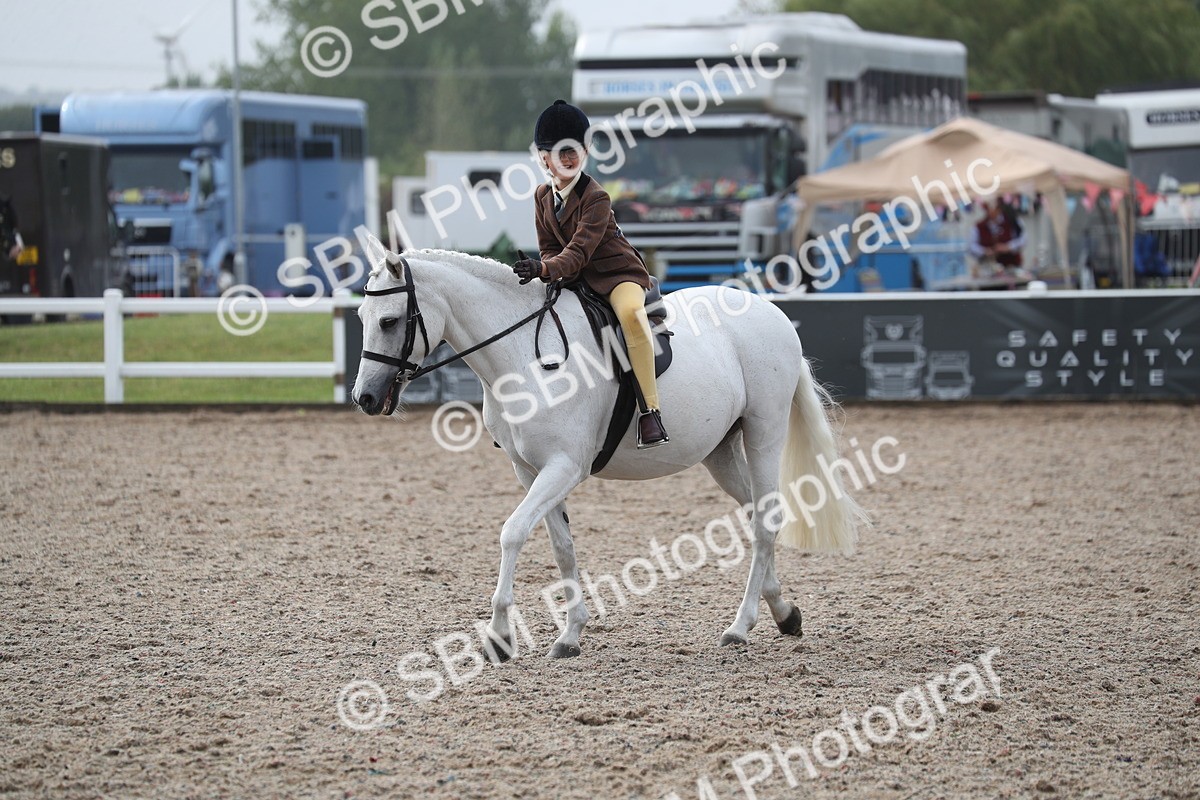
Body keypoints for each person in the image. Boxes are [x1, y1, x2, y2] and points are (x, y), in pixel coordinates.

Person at [512, 100, 669, 449]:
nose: (568, 160)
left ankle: (650, 411)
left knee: (630, 316)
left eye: (575, 152)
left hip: (617, 275)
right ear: (543, 157)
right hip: (574, 277)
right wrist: (545, 270)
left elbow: (578, 252)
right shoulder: (541, 196)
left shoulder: (596, 197)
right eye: (559, 152)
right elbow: (550, 248)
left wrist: (545, 269)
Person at [970, 199, 1025, 270]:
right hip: (988, 268)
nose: (991, 212)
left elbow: (1023, 239)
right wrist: (984, 251)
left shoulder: (1012, 221)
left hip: (1011, 266)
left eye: (994, 209)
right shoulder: (979, 226)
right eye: (988, 209)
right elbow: (971, 246)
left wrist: (1008, 247)